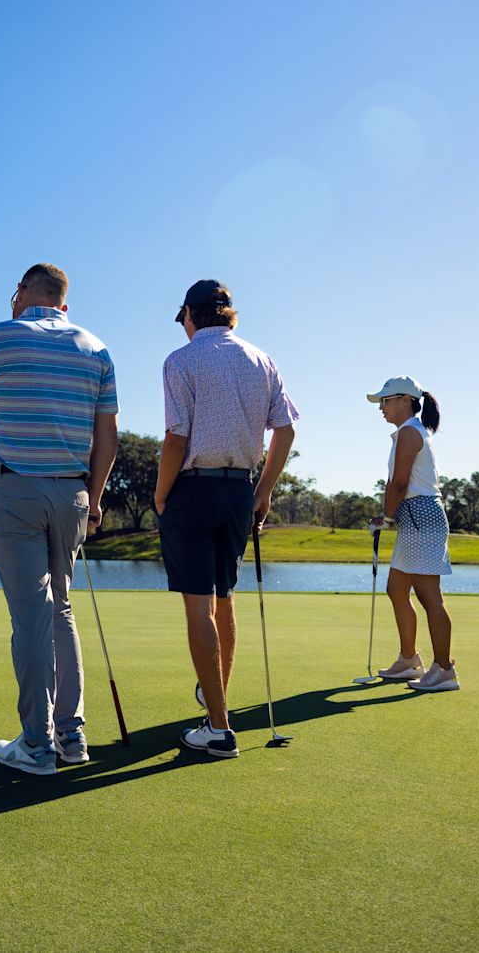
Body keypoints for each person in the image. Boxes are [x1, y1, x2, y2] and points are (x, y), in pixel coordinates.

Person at [0, 263, 118, 776]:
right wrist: (95, 496)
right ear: (64, 303)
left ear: (21, 293)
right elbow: (107, 436)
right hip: (72, 494)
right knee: (60, 608)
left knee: (30, 615)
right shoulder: (95, 346)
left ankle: (38, 744)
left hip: (14, 486)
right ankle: (72, 735)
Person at [154, 280, 298, 758]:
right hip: (239, 490)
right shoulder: (262, 358)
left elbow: (177, 438)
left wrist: (160, 495)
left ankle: (218, 729)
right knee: (224, 598)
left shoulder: (181, 360)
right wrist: (264, 491)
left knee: (200, 606)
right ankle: (216, 702)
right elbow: (286, 428)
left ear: (191, 315)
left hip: (192, 491)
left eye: (183, 319)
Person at [366, 376, 459, 692]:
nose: (382, 407)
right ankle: (409, 660)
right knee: (396, 588)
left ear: (405, 399)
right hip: (413, 518)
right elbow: (397, 484)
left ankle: (444, 669)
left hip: (422, 516)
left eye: (386, 401)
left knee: (429, 596)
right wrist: (390, 517)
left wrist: (386, 518)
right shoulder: (407, 432)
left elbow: (400, 483)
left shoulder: (409, 433)